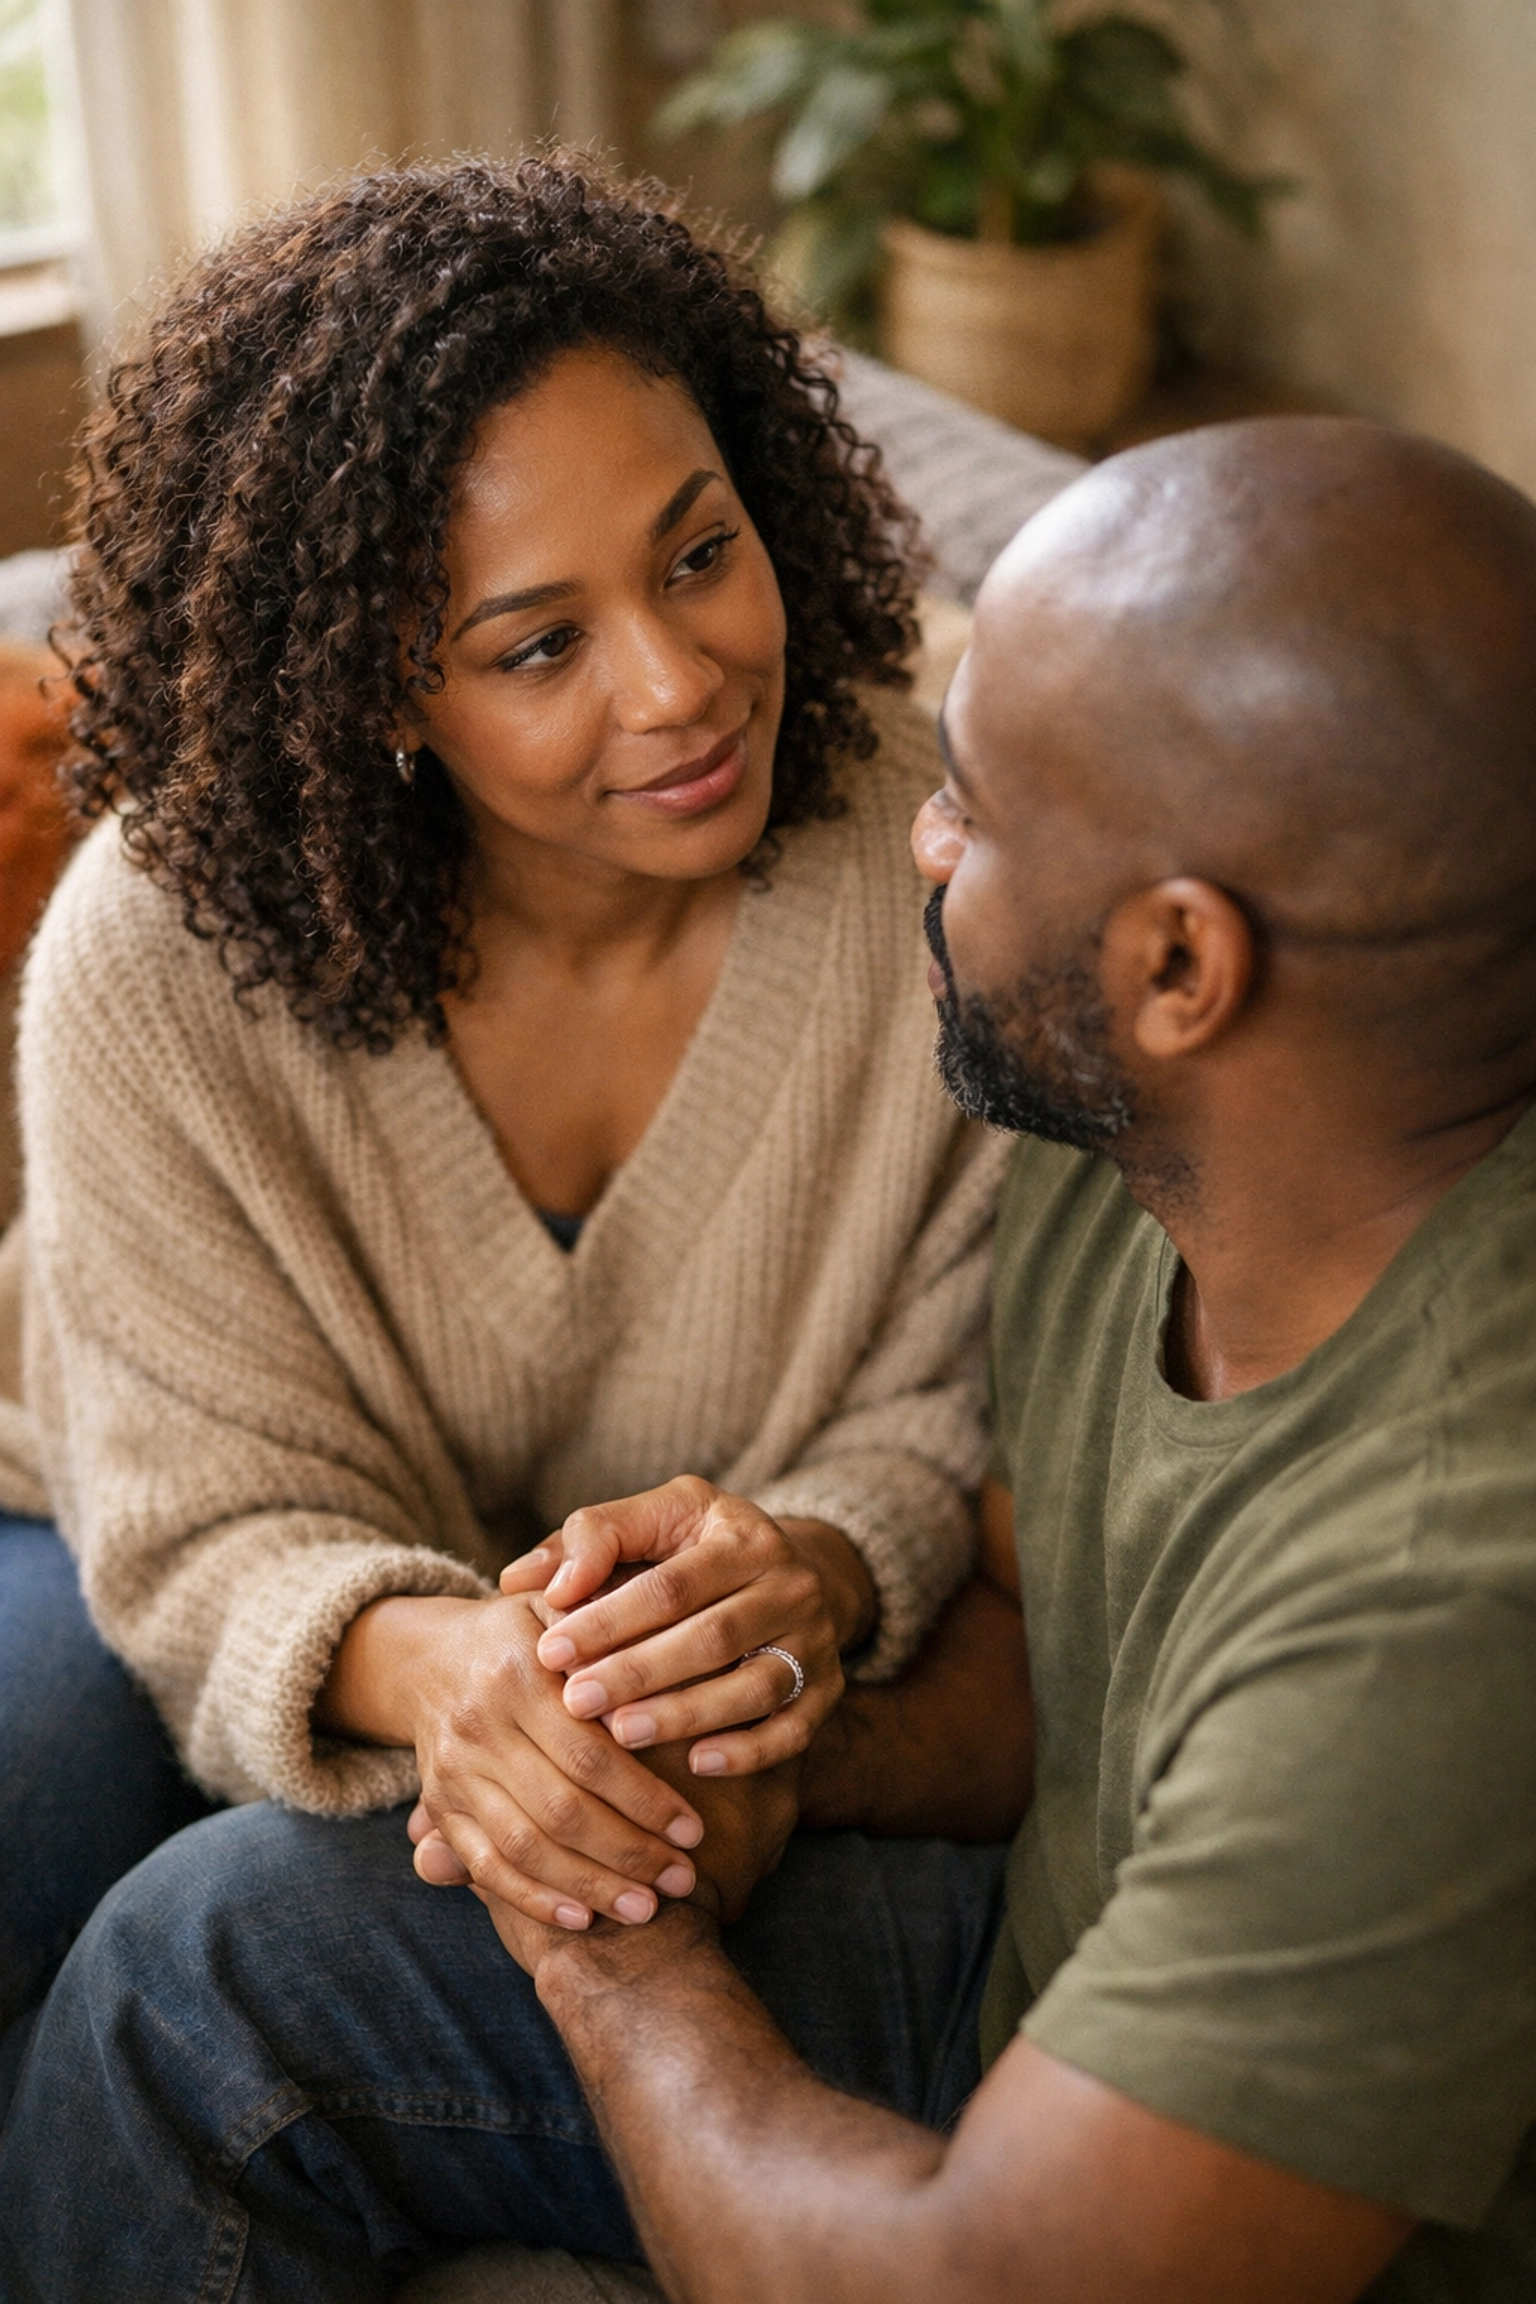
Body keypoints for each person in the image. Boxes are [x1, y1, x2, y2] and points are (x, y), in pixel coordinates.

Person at [7, 408, 1534, 2304]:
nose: (911, 826)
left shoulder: (1444, 1604)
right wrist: (758, 1771)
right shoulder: (1138, 1134)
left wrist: (605, 1942)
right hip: (1037, 1947)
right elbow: (1044, 1654)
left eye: (973, 802)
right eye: (539, 641)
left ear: (1176, 968)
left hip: (1145, 2195)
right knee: (201, 1968)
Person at [0, 152, 1009, 2056]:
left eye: (701, 552)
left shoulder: (943, 855)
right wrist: (449, 1663)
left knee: (200, 1955)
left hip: (677, 1686)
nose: (683, 685)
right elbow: (194, 1520)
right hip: (116, 1520)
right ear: (382, 690)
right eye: (539, 647)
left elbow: (945, 1399)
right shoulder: (154, 953)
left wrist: (809, 1567)